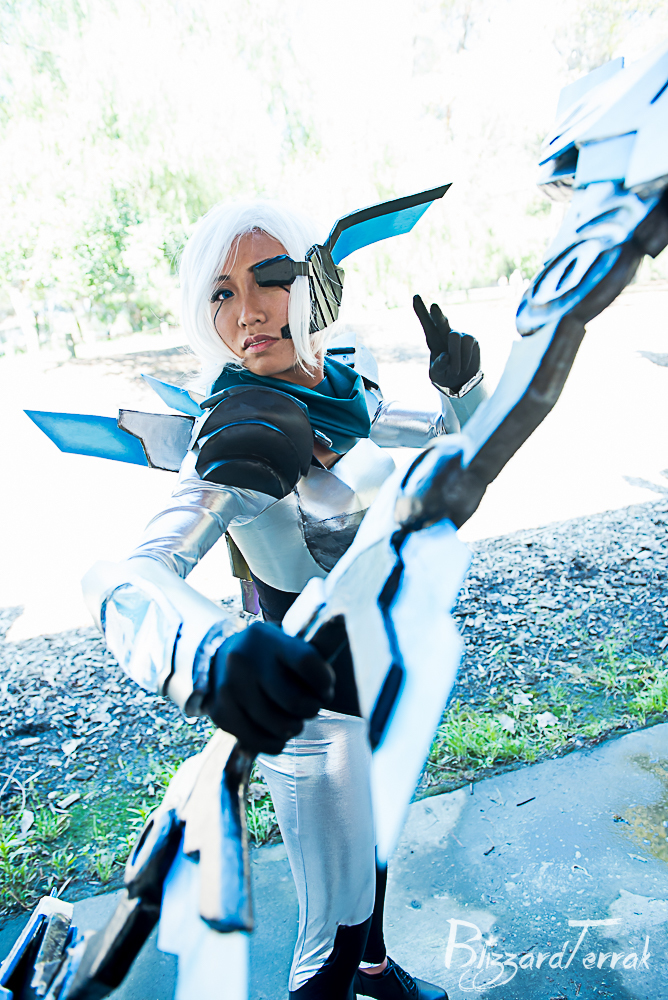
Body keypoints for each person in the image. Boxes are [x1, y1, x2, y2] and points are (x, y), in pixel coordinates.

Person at [84, 199, 487, 1000]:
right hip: (314, 710)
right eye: (221, 292)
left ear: (313, 283)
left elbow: (452, 452)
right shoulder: (242, 429)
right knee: (326, 938)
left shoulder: (343, 384)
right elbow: (131, 578)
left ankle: (377, 972)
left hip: (386, 667)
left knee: (374, 854)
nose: (246, 311)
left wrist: (462, 388)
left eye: (268, 279)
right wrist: (208, 652)